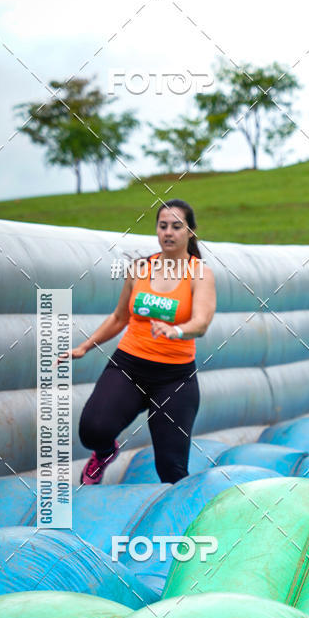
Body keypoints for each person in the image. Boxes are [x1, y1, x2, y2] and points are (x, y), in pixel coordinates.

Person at [70, 199, 216, 484]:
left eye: (177, 226)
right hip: (129, 366)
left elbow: (202, 322)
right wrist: (86, 346)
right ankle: (104, 454)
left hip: (175, 378)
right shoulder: (139, 269)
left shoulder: (201, 273)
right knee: (92, 431)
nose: (168, 233)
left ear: (190, 232)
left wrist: (178, 331)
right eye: (163, 226)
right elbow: (118, 317)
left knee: (172, 470)